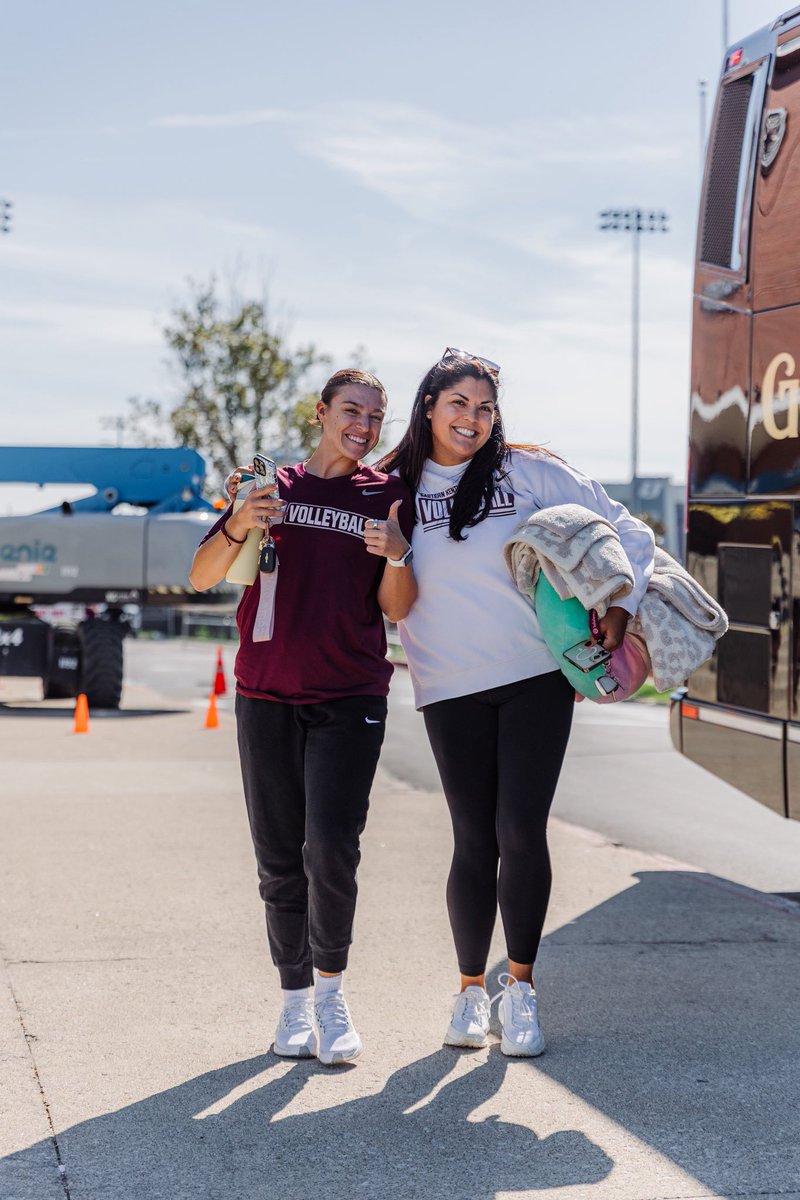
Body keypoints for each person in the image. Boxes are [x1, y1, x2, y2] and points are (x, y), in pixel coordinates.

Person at [377, 348, 654, 1056]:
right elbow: (319, 517)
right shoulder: (393, 485)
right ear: (429, 407)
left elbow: (629, 529)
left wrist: (620, 602)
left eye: (485, 406)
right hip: (446, 683)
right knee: (473, 839)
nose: (472, 419)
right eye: (459, 404)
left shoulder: (527, 471)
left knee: (520, 832)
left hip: (536, 675)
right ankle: (470, 990)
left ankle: (520, 992)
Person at [189, 369, 416, 1065]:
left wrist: (399, 555)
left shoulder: (388, 496)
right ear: (321, 413)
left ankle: (330, 993)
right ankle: (292, 1003)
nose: (365, 425)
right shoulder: (269, 488)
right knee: (278, 857)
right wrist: (237, 521)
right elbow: (201, 576)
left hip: (349, 697)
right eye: (352, 410)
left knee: (333, 851)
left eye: (376, 416)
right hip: (265, 694)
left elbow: (398, 608)